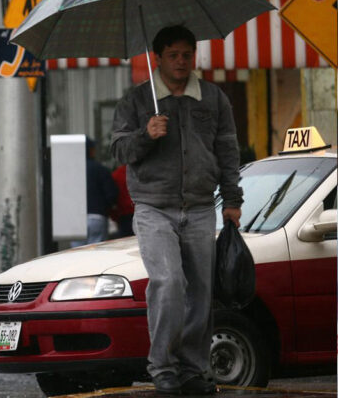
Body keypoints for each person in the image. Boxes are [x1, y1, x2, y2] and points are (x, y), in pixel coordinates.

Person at [111, 25, 242, 395]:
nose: (182, 61)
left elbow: (229, 151)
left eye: (187, 54)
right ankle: (162, 365)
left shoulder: (213, 99)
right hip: (154, 208)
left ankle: (193, 368)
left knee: (201, 291)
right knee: (168, 283)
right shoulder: (137, 101)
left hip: (202, 207)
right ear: (158, 58)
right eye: (174, 55)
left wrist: (232, 201)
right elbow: (119, 152)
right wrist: (144, 135)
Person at [84, 139, 118, 244]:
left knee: (77, 255)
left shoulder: (70, 171)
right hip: (97, 216)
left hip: (76, 219)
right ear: (91, 150)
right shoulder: (100, 169)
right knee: (96, 254)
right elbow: (112, 193)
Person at [109, 164, 134, 238]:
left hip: (124, 215)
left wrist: (114, 216)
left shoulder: (115, 175)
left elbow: (112, 197)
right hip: (140, 210)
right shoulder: (137, 173)